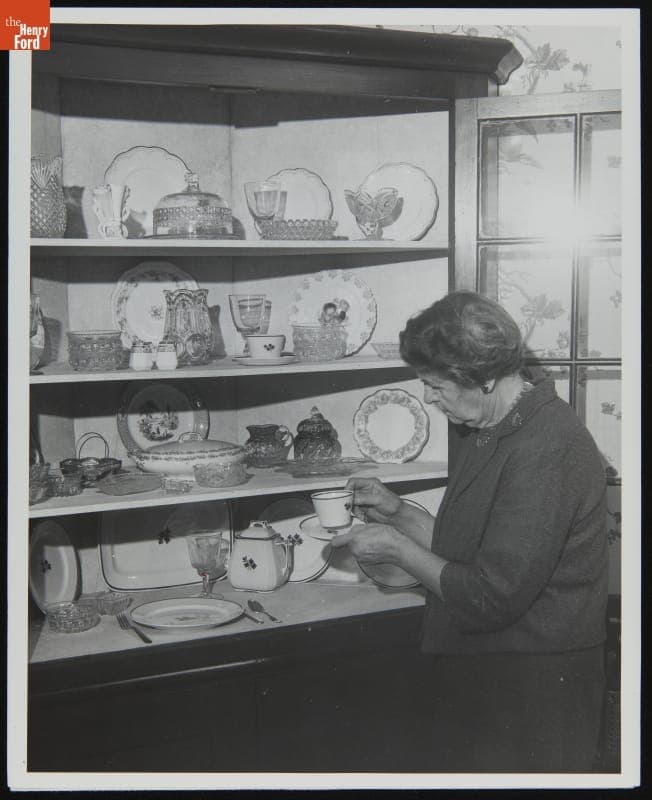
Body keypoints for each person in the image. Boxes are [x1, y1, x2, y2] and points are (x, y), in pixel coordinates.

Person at [331, 291, 608, 772]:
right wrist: (398, 513)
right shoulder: (494, 426)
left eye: (435, 386)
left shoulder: (548, 445)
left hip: (537, 688)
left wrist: (397, 548)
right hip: (493, 669)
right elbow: (477, 550)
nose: (427, 398)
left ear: (484, 378)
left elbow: (490, 594)